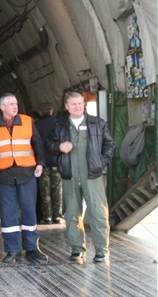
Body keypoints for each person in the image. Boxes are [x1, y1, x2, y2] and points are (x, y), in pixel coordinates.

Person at [46, 92, 114, 263]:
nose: (77, 106)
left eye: (80, 103)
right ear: (66, 106)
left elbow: (109, 144)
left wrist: (101, 162)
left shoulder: (97, 123)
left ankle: (101, 250)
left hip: (92, 175)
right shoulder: (59, 125)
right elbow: (49, 144)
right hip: (69, 176)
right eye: (73, 104)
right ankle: (77, 249)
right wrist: (60, 147)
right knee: (72, 213)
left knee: (98, 212)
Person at [0, 93, 49, 264]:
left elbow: (37, 143)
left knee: (28, 211)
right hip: (4, 175)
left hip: (26, 173)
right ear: (2, 107)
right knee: (8, 213)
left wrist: (40, 163)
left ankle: (32, 249)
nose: (15, 106)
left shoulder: (27, 121)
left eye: (16, 103)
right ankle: (12, 250)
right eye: (11, 104)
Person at [35, 102, 63, 224]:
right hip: (57, 161)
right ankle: (58, 215)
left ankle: (47, 217)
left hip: (42, 163)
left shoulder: (36, 125)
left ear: (41, 112)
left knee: (44, 190)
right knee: (57, 190)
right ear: (52, 111)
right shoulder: (59, 124)